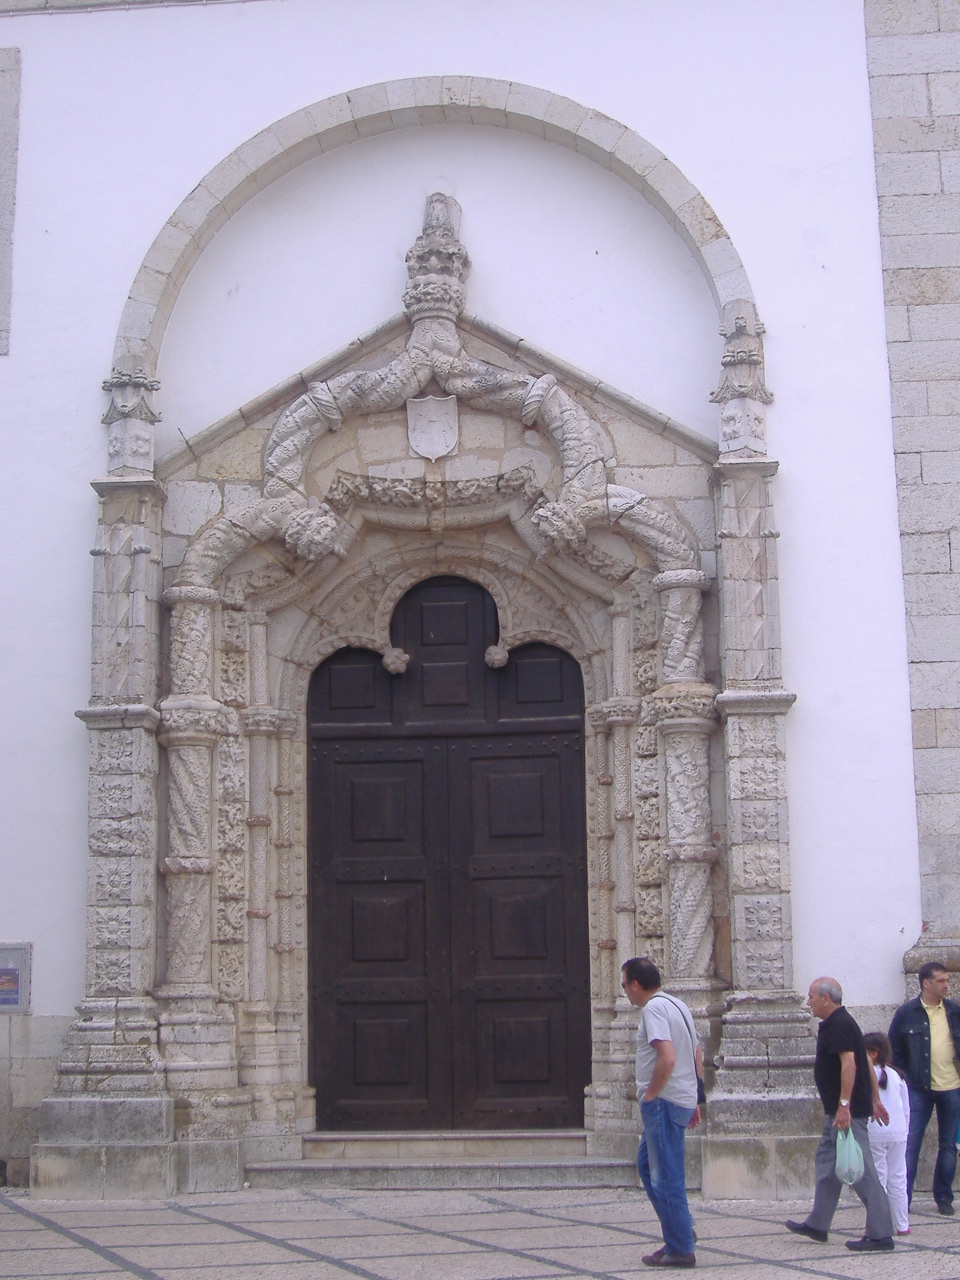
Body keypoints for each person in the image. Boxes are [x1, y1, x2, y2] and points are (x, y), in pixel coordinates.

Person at [785, 977, 895, 1252]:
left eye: (811, 996)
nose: (808, 1001)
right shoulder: (839, 1023)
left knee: (862, 1171)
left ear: (826, 998)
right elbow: (865, 1063)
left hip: (845, 1113)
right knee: (827, 1164)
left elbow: (850, 1065)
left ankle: (881, 1234)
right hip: (839, 1111)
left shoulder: (840, 1025)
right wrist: (874, 1099)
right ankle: (818, 1224)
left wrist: (845, 1105)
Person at [621, 956, 702, 1270]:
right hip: (680, 1098)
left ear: (636, 985)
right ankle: (679, 1227)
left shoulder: (653, 1008)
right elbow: (696, 1051)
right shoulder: (677, 1004)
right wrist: (695, 1096)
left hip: (664, 1101)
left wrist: (652, 1094)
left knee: (665, 1176)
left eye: (625, 984)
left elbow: (667, 1057)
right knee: (646, 1165)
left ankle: (681, 1247)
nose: (625, 991)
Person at [888, 960, 960, 1213]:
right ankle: (902, 1199)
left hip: (952, 1086)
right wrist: (903, 1080)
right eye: (941, 981)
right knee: (910, 1143)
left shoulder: (954, 1011)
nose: (946, 985)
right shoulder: (906, 1013)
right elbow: (894, 1051)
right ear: (926, 983)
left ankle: (943, 1197)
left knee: (949, 1145)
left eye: (947, 980)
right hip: (917, 1088)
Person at [863, 1031, 911, 1235]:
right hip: (898, 1133)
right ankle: (902, 1224)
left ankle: (880, 1224)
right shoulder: (898, 1076)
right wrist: (904, 1131)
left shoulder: (864, 1075)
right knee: (899, 1178)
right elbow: (906, 1109)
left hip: (875, 1132)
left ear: (873, 1053)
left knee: (879, 1179)